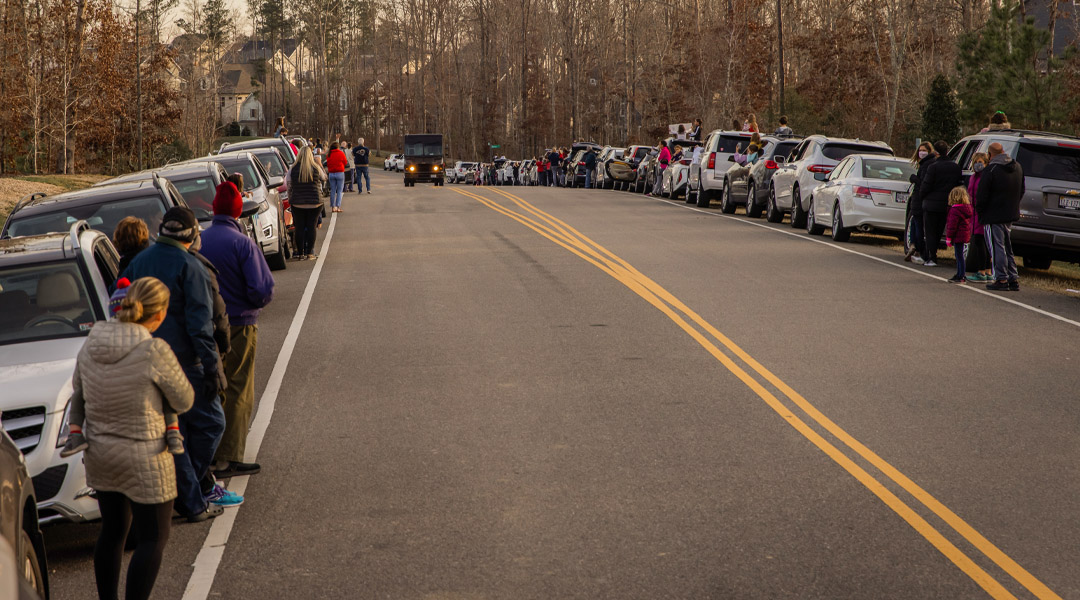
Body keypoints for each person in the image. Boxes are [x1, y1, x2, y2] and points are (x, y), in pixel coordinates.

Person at [71, 276, 194, 600]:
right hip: (147, 455)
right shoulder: (154, 349)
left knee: (112, 532)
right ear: (157, 314)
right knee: (153, 537)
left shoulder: (93, 340)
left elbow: (78, 387)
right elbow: (184, 400)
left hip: (102, 454)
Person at [122, 207, 232, 523]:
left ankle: (191, 499)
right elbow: (200, 326)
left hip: (144, 359)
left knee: (176, 432)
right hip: (184, 364)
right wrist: (212, 369)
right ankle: (189, 493)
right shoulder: (191, 266)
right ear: (192, 234)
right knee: (212, 423)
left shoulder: (138, 262)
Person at [200, 181, 275, 480]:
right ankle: (230, 455)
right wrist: (251, 304)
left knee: (213, 388)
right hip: (240, 325)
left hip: (206, 327)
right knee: (239, 389)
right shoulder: (243, 243)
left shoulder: (200, 241)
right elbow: (262, 288)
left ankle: (210, 452)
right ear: (237, 210)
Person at [975, 142, 1024, 291]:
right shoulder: (1017, 168)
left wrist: (981, 212)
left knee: (997, 247)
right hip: (1009, 213)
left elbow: (982, 195)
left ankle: (1001, 278)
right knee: (1007, 246)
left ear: (990, 155)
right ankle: (1012, 277)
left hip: (993, 214)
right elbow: (1022, 189)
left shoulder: (991, 170)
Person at [918, 140, 963, 267]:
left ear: (935, 153)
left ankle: (931, 256)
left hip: (931, 203)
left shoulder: (933, 167)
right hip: (946, 204)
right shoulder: (955, 167)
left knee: (930, 231)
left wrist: (922, 197)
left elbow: (926, 185)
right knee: (938, 231)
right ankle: (934, 252)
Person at [288, 146, 327, 260]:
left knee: (299, 227)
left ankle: (300, 253)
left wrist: (291, 198)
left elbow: (289, 184)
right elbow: (324, 178)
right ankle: (310, 253)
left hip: (297, 202)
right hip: (315, 202)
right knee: (311, 226)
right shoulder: (315, 167)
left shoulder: (293, 168)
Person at [905, 141, 937, 264]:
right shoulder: (924, 164)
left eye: (924, 150)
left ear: (929, 151)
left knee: (918, 224)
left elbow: (924, 183)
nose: (921, 152)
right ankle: (913, 244)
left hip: (920, 199)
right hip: (918, 199)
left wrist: (914, 179)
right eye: (920, 150)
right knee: (914, 221)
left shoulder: (928, 164)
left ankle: (919, 248)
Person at [965, 153, 993, 282]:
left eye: (980, 162)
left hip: (983, 213)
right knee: (980, 241)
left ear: (986, 163)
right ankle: (987, 270)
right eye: (975, 162)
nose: (978, 164)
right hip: (974, 212)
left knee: (981, 241)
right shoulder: (973, 177)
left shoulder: (987, 177)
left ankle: (983, 271)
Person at [944, 187, 974, 284]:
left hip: (958, 236)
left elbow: (952, 225)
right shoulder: (967, 209)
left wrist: (949, 238)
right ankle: (961, 274)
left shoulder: (955, 210)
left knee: (959, 255)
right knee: (961, 255)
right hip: (965, 235)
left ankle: (960, 275)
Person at [326, 142, 347, 213]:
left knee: (333, 190)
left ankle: (333, 207)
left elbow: (327, 163)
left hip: (331, 173)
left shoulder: (329, 154)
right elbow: (345, 162)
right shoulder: (341, 153)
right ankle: (338, 207)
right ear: (338, 147)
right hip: (340, 173)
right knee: (339, 191)